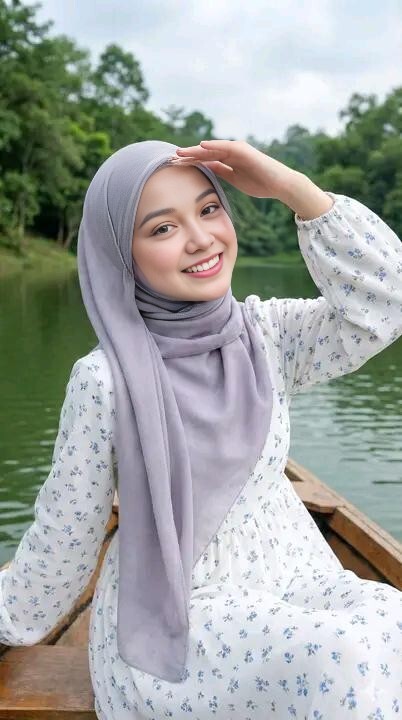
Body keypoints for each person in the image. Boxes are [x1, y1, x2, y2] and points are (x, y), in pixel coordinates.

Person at [0, 138, 401, 719]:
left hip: (298, 579)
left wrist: (292, 188)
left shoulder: (268, 335)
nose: (200, 239)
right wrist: (13, 615)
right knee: (339, 656)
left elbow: (385, 304)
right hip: (182, 616)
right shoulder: (104, 381)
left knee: (389, 621)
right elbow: (66, 533)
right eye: (163, 228)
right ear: (122, 254)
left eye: (209, 209)